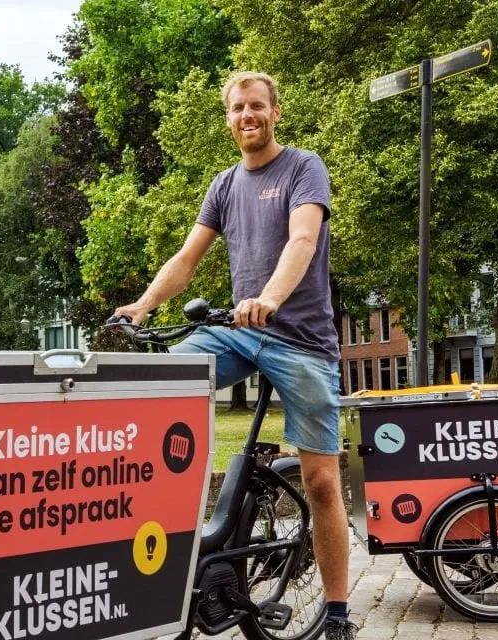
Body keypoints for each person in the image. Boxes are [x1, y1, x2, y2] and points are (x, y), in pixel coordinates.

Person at [111, 71, 357, 638]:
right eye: (237, 108)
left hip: (302, 341)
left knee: (322, 481)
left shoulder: (303, 167)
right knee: (162, 384)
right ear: (228, 118)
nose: (247, 115)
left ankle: (339, 614)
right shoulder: (223, 185)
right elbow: (187, 258)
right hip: (238, 332)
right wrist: (144, 305)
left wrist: (269, 298)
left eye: (256, 106)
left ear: (275, 112)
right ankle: (176, 532)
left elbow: (302, 239)